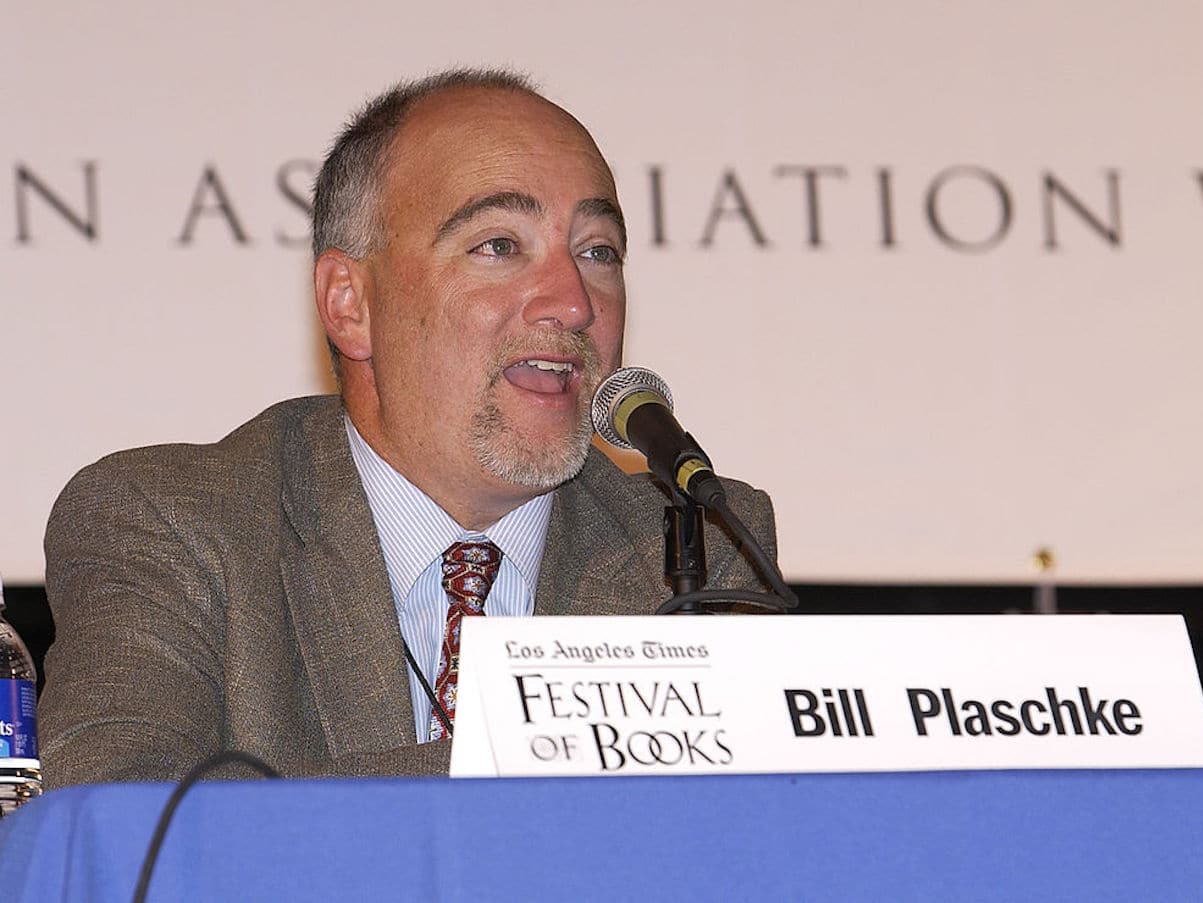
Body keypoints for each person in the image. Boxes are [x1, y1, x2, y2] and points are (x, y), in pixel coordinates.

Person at [38, 69, 778, 785]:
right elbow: (124, 828)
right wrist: (542, 754)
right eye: (499, 245)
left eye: (597, 252)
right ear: (350, 302)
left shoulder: (695, 542)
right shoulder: (173, 522)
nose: (573, 302)